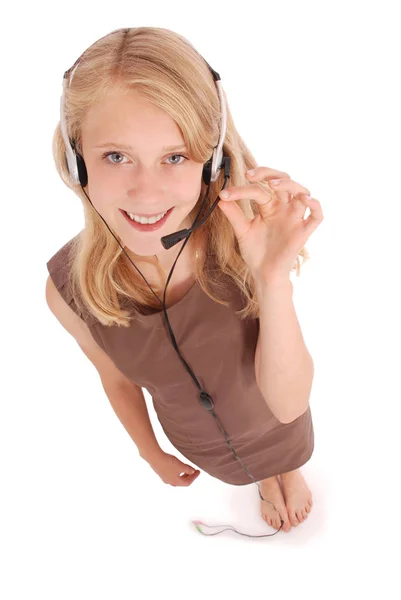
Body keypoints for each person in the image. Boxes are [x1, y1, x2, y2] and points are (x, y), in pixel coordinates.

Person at [46, 27, 323, 535]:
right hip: (200, 441)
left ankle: (285, 470)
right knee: (242, 470)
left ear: (210, 160)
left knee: (282, 448)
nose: (146, 192)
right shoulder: (67, 290)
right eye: (115, 156)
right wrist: (150, 451)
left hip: (274, 418)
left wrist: (271, 278)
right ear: (75, 160)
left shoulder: (244, 239)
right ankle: (262, 482)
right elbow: (117, 379)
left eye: (175, 157)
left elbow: (287, 405)